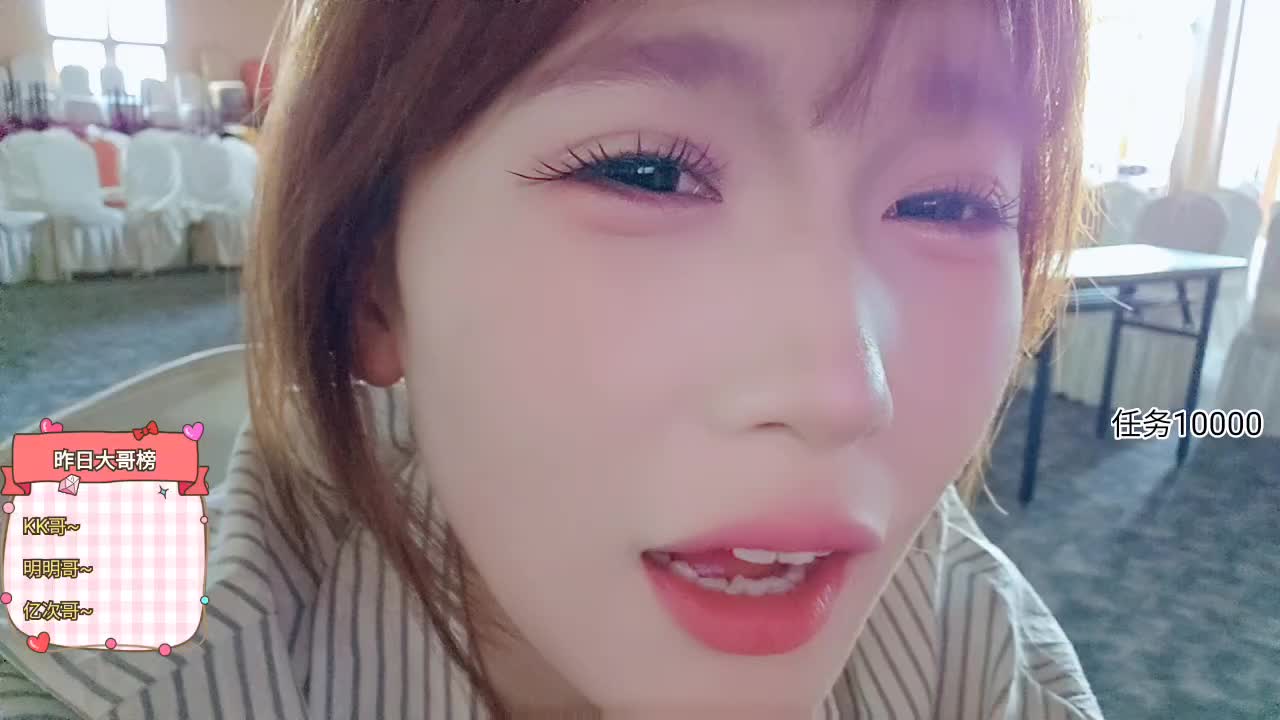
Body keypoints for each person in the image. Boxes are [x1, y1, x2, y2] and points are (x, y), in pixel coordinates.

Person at [0, 0, 1102, 717]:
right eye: (644, 173)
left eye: (949, 203)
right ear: (370, 275)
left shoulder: (974, 649)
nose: (844, 393)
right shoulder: (101, 630)